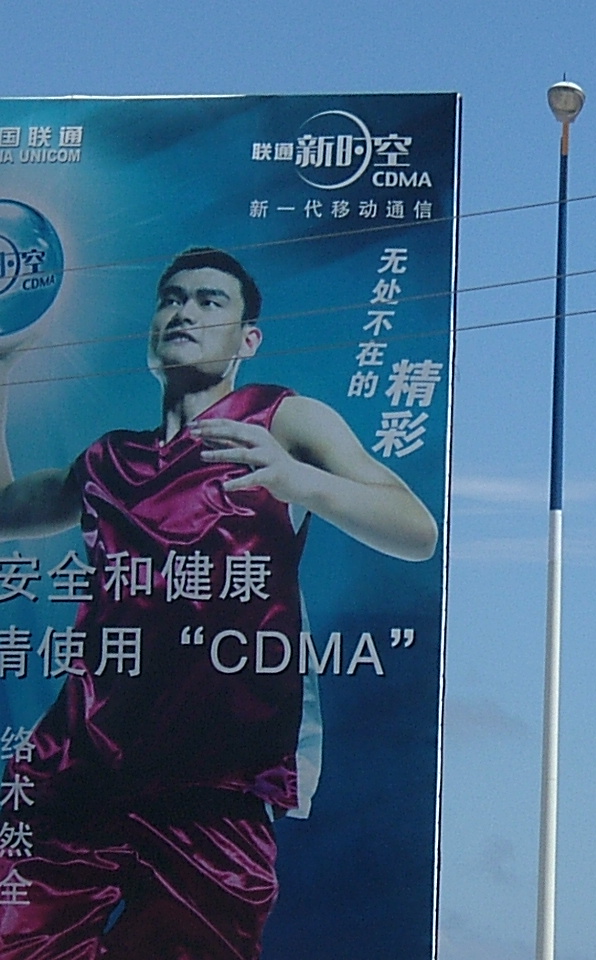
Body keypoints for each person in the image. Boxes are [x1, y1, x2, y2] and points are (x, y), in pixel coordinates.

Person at [0, 247, 438, 959]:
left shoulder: (281, 419)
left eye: (210, 301)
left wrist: (298, 480)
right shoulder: (109, 460)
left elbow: (416, 531)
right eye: (172, 298)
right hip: (78, 770)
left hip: (213, 780)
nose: (184, 312)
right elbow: (4, 509)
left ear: (247, 339)